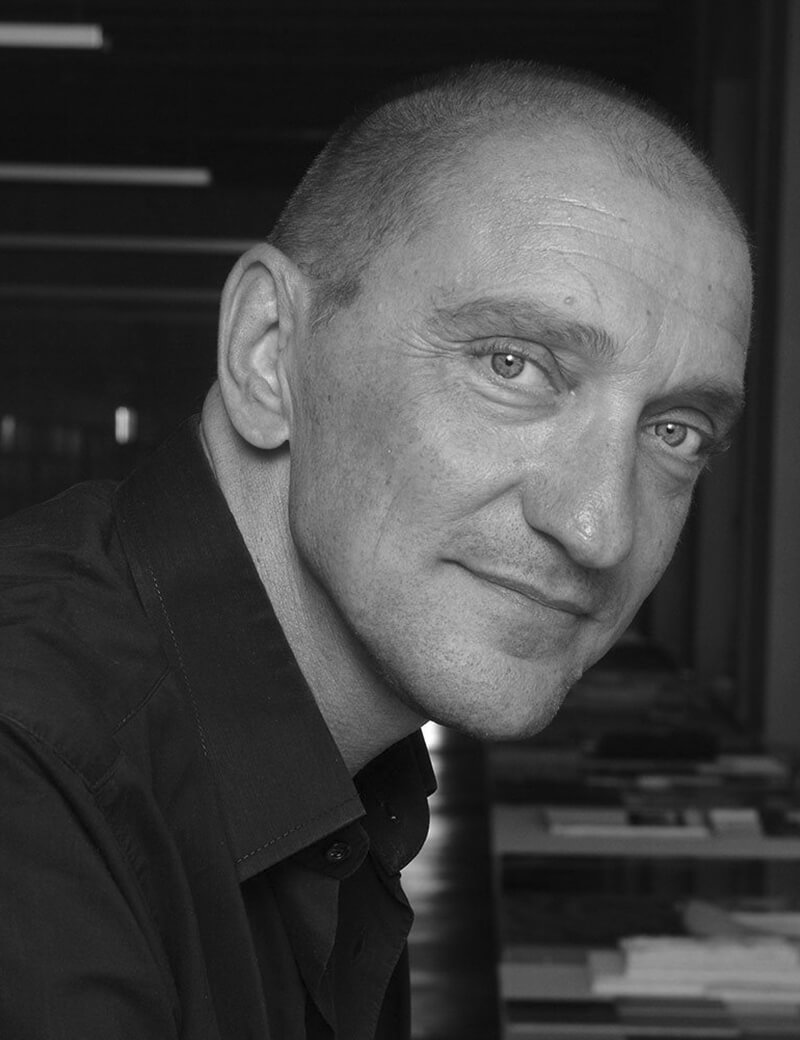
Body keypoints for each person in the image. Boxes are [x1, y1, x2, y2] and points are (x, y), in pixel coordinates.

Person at [0, 61, 751, 1038]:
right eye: (514, 364)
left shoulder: (342, 780)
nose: (598, 527)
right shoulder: (33, 775)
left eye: (676, 431)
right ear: (270, 353)